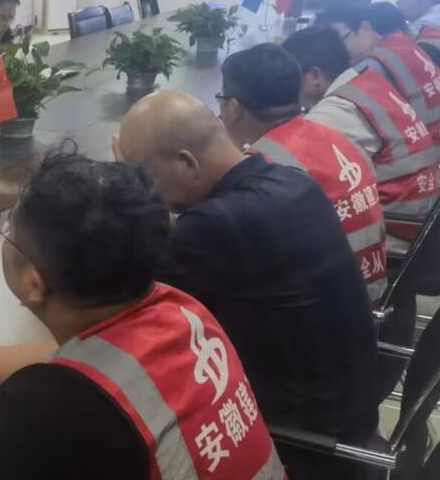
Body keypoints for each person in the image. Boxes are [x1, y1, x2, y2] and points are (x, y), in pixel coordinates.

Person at [0, 144, 284, 480]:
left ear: (34, 282)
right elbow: (87, 366)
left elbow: (68, 392)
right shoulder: (179, 308)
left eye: (10, 228)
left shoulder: (52, 411)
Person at [114, 92, 378, 480]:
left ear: (187, 162)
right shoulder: (290, 180)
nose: (149, 191)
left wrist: (127, 196)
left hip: (306, 446)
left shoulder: (212, 227)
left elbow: (119, 298)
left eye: (147, 178)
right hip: (353, 409)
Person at [219, 43, 388, 302]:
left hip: (326, 305)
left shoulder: (264, 167)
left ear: (232, 108)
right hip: (369, 290)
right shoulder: (335, 136)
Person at [282, 27, 440, 241]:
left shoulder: (335, 111)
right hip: (419, 213)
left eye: (290, 78)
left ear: (315, 76)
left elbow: (283, 168)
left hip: (394, 231)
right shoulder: (366, 82)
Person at [318, 3, 440, 163]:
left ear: (365, 28)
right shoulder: (403, 45)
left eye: (340, 40)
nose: (336, 51)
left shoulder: (371, 70)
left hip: (421, 162)